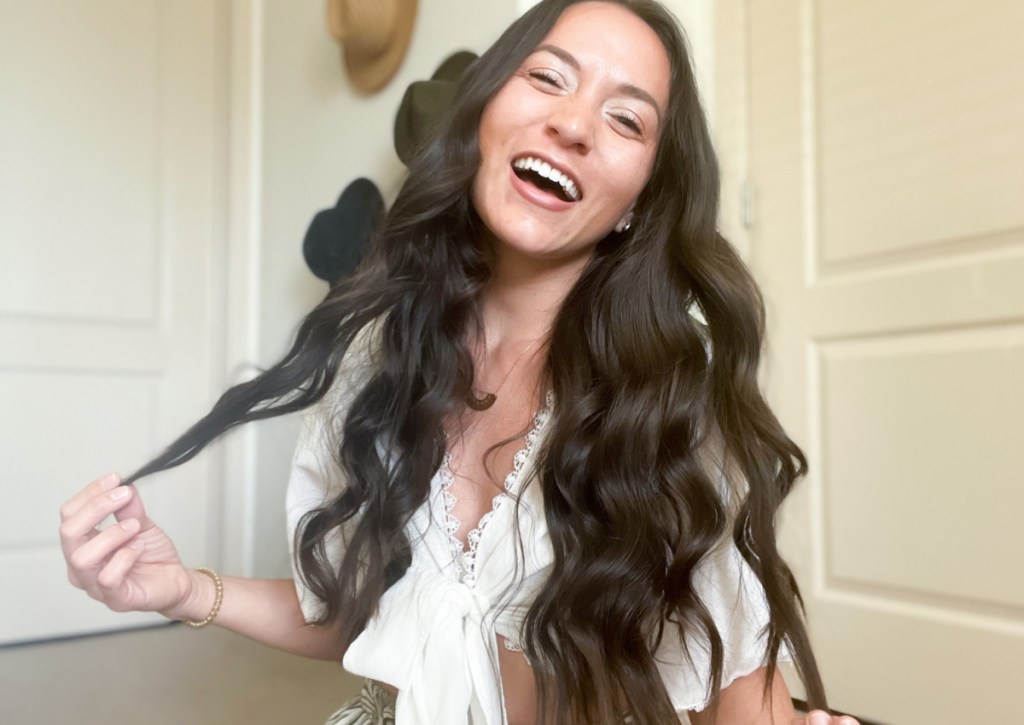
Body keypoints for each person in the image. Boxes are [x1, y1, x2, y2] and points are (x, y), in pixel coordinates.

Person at [59, 1, 862, 723]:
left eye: (626, 120)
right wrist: (183, 589)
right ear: (483, 114)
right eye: (548, 77)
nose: (575, 124)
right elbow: (360, 615)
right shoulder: (384, 358)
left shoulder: (671, 402)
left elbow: (740, 689)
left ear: (640, 205)